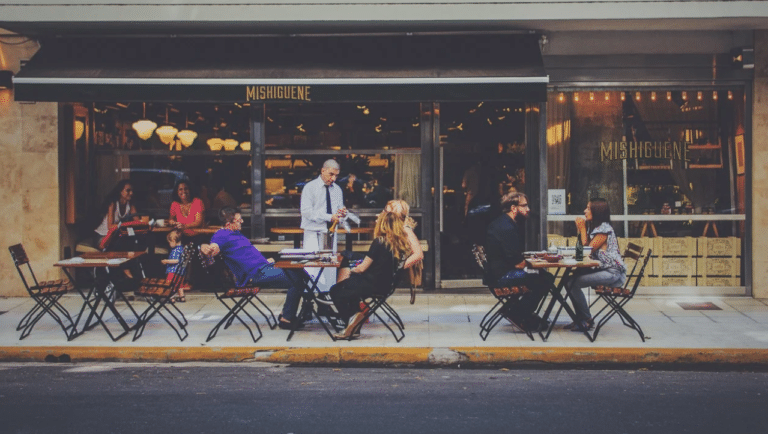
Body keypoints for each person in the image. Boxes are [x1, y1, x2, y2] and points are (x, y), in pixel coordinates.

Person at [200, 207, 307, 330]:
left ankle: (287, 313)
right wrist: (205, 247)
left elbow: (246, 254)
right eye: (239, 220)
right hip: (255, 274)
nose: (242, 222)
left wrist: (265, 261)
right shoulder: (222, 235)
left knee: (301, 273)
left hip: (264, 267)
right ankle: (286, 319)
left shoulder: (236, 233)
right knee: (297, 279)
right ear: (229, 224)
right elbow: (213, 247)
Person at [330, 209, 417, 340]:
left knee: (336, 290)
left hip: (371, 284)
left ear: (382, 224)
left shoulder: (379, 242)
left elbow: (362, 268)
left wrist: (351, 270)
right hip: (386, 286)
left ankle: (352, 318)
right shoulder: (400, 244)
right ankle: (354, 326)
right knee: (351, 291)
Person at [484, 192, 551, 333]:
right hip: (502, 276)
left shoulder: (503, 222)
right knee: (544, 279)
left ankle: (518, 311)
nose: (528, 209)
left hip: (496, 273)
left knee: (542, 277)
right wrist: (537, 262)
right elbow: (518, 263)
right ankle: (519, 314)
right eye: (524, 206)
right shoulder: (507, 228)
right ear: (513, 208)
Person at [565, 198, 627, 332]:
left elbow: (586, 250)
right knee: (570, 280)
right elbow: (582, 249)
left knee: (571, 283)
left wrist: (582, 229)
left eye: (588, 208)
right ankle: (580, 318)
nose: (584, 211)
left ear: (597, 211)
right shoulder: (596, 228)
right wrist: (581, 230)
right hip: (603, 269)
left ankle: (586, 319)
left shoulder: (604, 230)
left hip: (612, 273)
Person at [300, 159, 346, 291]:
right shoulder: (310, 187)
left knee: (330, 267)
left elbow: (339, 210)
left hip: (330, 232)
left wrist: (342, 214)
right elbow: (306, 212)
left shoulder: (337, 190)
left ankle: (327, 296)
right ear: (323, 170)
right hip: (313, 231)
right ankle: (310, 297)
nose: (333, 178)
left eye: (336, 175)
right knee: (311, 266)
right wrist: (329, 217)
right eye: (331, 174)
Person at [93, 180, 138, 246]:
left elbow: (137, 223)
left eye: (132, 191)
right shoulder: (113, 204)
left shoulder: (131, 205)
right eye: (128, 190)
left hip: (115, 237)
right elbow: (110, 226)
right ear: (120, 191)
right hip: (103, 235)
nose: (131, 193)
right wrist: (128, 225)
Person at [161, 229, 186, 302]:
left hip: (173, 271)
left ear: (173, 241)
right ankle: (182, 297)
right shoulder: (182, 248)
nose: (169, 244)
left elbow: (176, 260)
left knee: (169, 284)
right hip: (181, 272)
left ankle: (171, 297)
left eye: (169, 242)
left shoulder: (175, 250)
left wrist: (166, 261)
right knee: (180, 285)